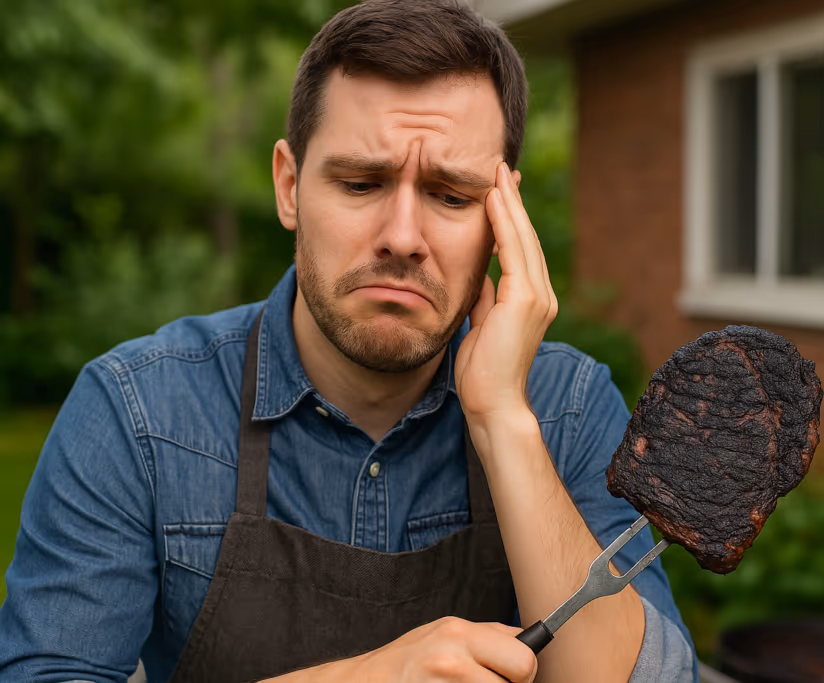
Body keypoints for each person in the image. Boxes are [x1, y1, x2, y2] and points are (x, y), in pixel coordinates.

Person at [0, 1, 696, 681]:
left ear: (504, 216)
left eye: (452, 196)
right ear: (290, 185)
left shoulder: (567, 408)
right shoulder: (140, 411)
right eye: (362, 182)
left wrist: (503, 420)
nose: (401, 237)